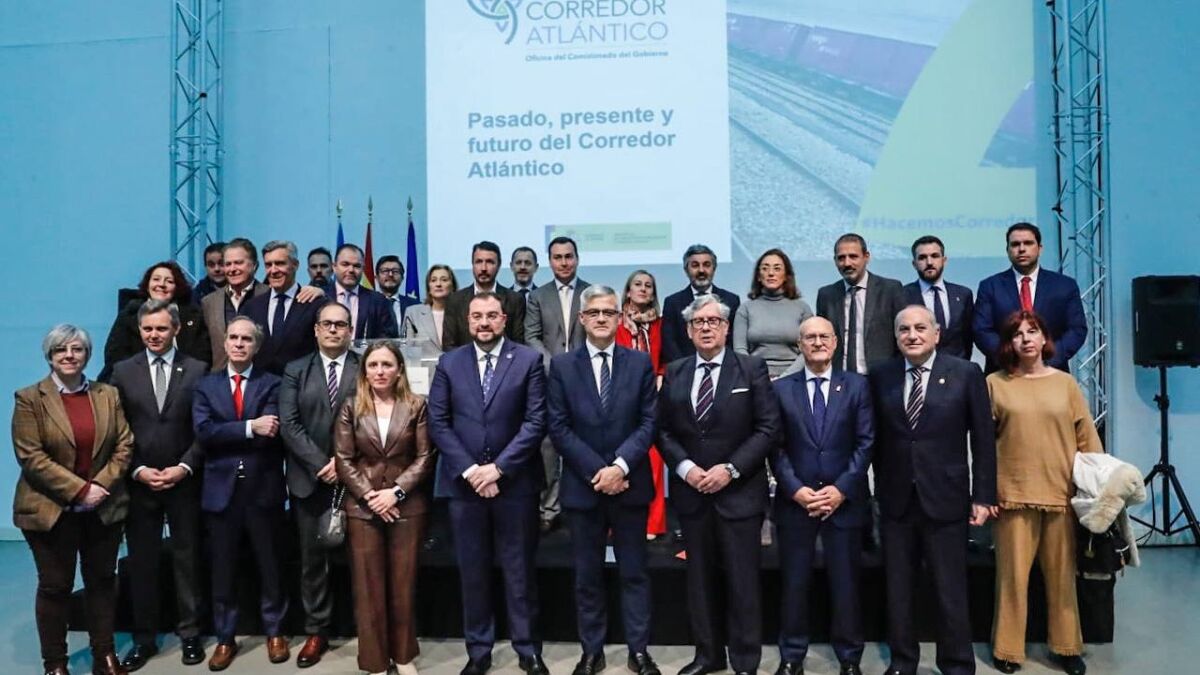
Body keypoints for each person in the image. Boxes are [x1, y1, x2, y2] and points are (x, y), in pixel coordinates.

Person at [868, 305, 997, 675]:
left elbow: (983, 440)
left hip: (947, 498)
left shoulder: (965, 373)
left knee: (949, 588)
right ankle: (903, 661)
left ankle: (956, 663)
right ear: (896, 337)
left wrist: (983, 495)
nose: (912, 335)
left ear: (937, 334)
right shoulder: (880, 375)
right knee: (898, 589)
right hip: (896, 500)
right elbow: (873, 438)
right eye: (904, 329)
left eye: (920, 328)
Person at [657, 295, 781, 675]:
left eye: (714, 321)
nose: (706, 327)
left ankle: (745, 661)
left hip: (739, 494)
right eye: (699, 322)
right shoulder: (675, 371)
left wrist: (731, 469)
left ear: (727, 328)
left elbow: (768, 427)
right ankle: (708, 656)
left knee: (743, 583)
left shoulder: (751, 368)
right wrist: (686, 468)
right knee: (700, 582)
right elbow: (663, 430)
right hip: (692, 494)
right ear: (689, 331)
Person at [427, 292, 549, 675]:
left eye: (492, 315)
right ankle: (478, 651)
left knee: (520, 571)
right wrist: (471, 471)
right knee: (473, 573)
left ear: (504, 320)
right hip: (464, 488)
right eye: (477, 316)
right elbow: (438, 423)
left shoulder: (528, 360)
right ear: (467, 320)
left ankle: (528, 649)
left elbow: (535, 422)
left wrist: (498, 469)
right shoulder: (449, 362)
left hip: (516, 485)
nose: (484, 322)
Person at [547, 285, 660, 675]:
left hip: (630, 485)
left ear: (620, 317)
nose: (600, 318)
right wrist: (599, 471)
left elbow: (649, 422)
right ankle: (591, 651)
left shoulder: (639, 363)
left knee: (635, 573)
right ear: (581, 318)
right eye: (593, 312)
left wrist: (620, 467)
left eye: (608, 312)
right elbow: (558, 427)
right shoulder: (562, 366)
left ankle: (639, 651)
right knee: (587, 576)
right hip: (584, 487)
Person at [12, 324, 133, 675]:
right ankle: (55, 664)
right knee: (55, 587)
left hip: (102, 508)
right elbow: (31, 457)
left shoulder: (108, 394)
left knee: (102, 582)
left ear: (87, 354)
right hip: (50, 510)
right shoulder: (29, 398)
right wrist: (80, 490)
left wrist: (99, 487)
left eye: (77, 349)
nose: (69, 355)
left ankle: (104, 656)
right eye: (60, 349)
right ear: (49, 356)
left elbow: (124, 445)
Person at [987, 311, 1100, 675]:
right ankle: (1007, 649)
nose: (1026, 339)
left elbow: (1087, 437)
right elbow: (983, 445)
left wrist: (1098, 489)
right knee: (1011, 579)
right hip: (1012, 494)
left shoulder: (1066, 384)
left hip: (1061, 495)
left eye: (1032, 331)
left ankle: (1067, 647)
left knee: (1062, 578)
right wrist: (985, 492)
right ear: (1009, 343)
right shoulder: (995, 384)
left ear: (1044, 338)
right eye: (1017, 334)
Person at [110, 300, 208, 671]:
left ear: (176, 329)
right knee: (142, 563)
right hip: (140, 484)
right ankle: (145, 638)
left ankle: (190, 633)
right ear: (139, 330)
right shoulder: (122, 372)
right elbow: (116, 430)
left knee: (187, 560)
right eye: (148, 328)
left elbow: (205, 427)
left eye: (161, 328)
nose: (154, 335)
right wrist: (136, 470)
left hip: (185, 482)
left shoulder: (197, 369)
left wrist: (184, 467)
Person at [771, 316, 873, 675]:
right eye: (810, 337)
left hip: (843, 503)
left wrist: (841, 489)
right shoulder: (781, 389)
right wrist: (796, 490)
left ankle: (849, 657)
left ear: (835, 342)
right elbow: (775, 447)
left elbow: (866, 442)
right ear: (799, 344)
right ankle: (791, 656)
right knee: (794, 584)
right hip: (795, 503)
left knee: (846, 585)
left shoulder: (857, 386)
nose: (817, 342)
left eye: (823, 336)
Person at [192, 317, 290, 670]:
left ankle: (275, 632)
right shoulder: (206, 386)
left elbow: (272, 429)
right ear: (224, 343)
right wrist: (249, 426)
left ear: (256, 346)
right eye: (233, 337)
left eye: (246, 339)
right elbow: (204, 432)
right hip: (221, 492)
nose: (238, 344)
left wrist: (231, 431)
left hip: (263, 489)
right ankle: (225, 637)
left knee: (270, 566)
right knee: (223, 569)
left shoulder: (273, 383)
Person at [335, 341, 436, 675]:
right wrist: (371, 497)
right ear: (365, 371)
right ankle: (375, 661)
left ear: (399, 370)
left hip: (407, 507)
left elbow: (425, 457)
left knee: (403, 586)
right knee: (368, 589)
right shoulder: (351, 406)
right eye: (373, 365)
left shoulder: (416, 405)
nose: (380, 371)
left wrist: (396, 492)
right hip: (363, 510)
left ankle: (404, 656)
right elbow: (344, 459)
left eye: (387, 365)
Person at [279, 302, 360, 669]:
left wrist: (342, 464)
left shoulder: (365, 367)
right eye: (326, 324)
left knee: (362, 560)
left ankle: (366, 627)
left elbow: (374, 419)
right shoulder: (296, 370)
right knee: (312, 563)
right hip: (309, 480)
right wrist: (319, 464)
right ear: (315, 330)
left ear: (350, 330)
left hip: (356, 480)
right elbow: (289, 423)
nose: (333, 330)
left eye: (340, 324)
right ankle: (317, 630)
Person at [525, 236, 590, 533]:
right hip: (549, 380)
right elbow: (531, 336)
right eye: (557, 257)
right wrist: (556, 367)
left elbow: (598, 333)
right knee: (549, 447)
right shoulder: (538, 296)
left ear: (577, 258)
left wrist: (576, 367)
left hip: (586, 379)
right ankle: (549, 509)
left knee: (584, 442)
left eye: (568, 256)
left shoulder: (591, 292)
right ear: (549, 261)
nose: (564, 262)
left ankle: (582, 505)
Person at [974, 222, 1088, 372]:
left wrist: (1045, 361)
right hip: (1004, 372)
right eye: (1015, 244)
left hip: (1052, 372)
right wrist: (1011, 358)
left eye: (1028, 243)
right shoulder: (990, 286)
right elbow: (981, 330)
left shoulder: (1064, 286)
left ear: (1040, 248)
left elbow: (1076, 329)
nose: (1021, 249)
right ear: (1007, 250)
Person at [615, 269, 667, 539]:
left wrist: (660, 376)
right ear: (628, 291)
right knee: (620, 457)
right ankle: (617, 523)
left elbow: (666, 358)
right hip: (619, 399)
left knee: (654, 459)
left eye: (649, 285)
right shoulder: (616, 322)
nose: (643, 289)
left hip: (651, 397)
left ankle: (652, 524)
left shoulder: (660, 324)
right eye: (638, 284)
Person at [99, 260, 212, 380]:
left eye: (169, 281)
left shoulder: (193, 316)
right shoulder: (129, 313)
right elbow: (115, 355)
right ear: (147, 285)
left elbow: (202, 356)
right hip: (136, 381)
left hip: (184, 382)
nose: (161, 284)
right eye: (156, 279)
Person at [816, 233, 906, 375]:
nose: (847, 263)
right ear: (835, 261)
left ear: (866, 257)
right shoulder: (826, 295)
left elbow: (902, 334)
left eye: (853, 256)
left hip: (882, 378)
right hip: (840, 378)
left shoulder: (890, 289)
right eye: (841, 258)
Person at [245, 240, 329, 375]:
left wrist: (323, 293)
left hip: (302, 384)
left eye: (279, 263)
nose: (273, 270)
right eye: (268, 265)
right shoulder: (252, 307)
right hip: (261, 385)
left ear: (295, 265)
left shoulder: (315, 303)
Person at [734, 248, 814, 378]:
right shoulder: (745, 309)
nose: (771, 273)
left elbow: (808, 349)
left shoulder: (803, 308)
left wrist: (785, 378)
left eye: (777, 268)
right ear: (758, 276)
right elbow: (740, 350)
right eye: (765, 268)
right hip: (755, 378)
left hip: (795, 379)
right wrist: (759, 377)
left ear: (786, 276)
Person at [660, 244, 741, 365]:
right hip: (684, 370)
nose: (701, 270)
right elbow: (669, 343)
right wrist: (685, 369)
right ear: (686, 270)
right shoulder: (672, 302)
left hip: (723, 369)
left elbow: (733, 341)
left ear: (714, 268)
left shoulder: (731, 300)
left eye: (707, 265)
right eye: (695, 265)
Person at [442, 241, 526, 350]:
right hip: (464, 360)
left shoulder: (515, 300)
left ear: (499, 265)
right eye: (478, 262)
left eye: (490, 262)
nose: (483, 268)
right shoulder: (455, 300)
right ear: (472, 265)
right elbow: (449, 345)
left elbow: (518, 344)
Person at [201, 238, 269, 371]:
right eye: (228, 264)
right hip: (220, 378)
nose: (232, 269)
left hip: (262, 378)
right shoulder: (209, 302)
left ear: (254, 265)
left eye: (238, 263)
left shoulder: (270, 295)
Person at [902, 235, 974, 360]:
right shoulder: (902, 295)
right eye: (922, 258)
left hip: (956, 367)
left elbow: (968, 337)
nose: (929, 262)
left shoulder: (963, 294)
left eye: (935, 256)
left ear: (944, 260)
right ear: (914, 264)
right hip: (917, 366)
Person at [328, 244, 401, 341]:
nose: (351, 270)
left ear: (363, 269)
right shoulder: (321, 297)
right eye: (345, 264)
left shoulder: (379, 301)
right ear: (334, 267)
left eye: (357, 266)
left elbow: (388, 338)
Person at [403, 264, 458, 353]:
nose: (438, 284)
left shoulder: (462, 312)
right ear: (428, 287)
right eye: (433, 280)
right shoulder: (413, 313)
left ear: (452, 286)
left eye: (444, 280)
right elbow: (408, 349)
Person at [377, 255, 420, 327]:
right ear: (377, 277)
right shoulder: (367, 304)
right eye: (385, 271)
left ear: (402, 278)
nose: (390, 274)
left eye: (395, 271)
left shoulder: (415, 306)